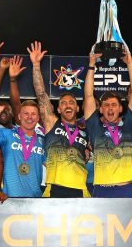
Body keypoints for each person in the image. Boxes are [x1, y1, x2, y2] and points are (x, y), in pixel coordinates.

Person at [28, 41, 90, 197]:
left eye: (72, 103)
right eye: (63, 103)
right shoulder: (52, 123)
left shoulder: (86, 130)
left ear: (78, 108)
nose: (68, 105)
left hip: (81, 189)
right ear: (58, 109)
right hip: (54, 187)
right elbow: (41, 94)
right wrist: (36, 65)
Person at [83, 45, 132, 197]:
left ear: (121, 109)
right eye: (106, 105)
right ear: (100, 109)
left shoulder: (129, 126)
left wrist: (130, 63)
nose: (110, 109)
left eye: (114, 105)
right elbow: (89, 96)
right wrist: (91, 65)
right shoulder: (95, 128)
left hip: (126, 188)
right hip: (102, 189)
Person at [0, 101, 45, 200]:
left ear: (38, 117)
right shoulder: (8, 134)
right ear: (19, 116)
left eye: (33, 114)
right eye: (26, 113)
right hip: (10, 200)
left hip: (35, 200)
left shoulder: (43, 140)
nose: (29, 117)